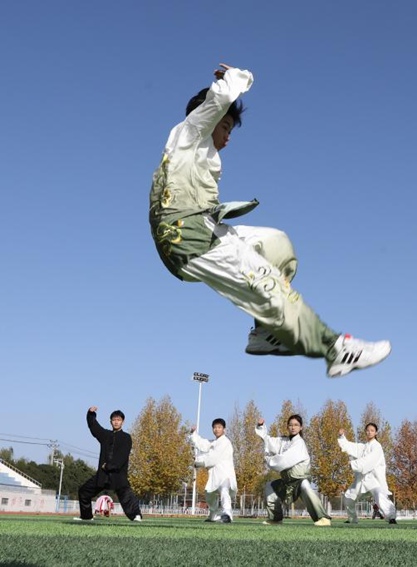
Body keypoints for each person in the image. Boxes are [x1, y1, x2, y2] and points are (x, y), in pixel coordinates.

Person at [148, 63, 391, 378]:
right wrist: (237, 77)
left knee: (277, 246)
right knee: (267, 281)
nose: (228, 139)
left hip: (204, 229)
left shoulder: (203, 154)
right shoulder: (189, 132)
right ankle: (335, 349)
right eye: (226, 129)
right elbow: (216, 102)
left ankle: (263, 333)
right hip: (184, 236)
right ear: (211, 119)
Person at [255, 415, 332, 526]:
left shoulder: (299, 443)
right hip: (287, 482)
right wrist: (261, 426)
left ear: (301, 428)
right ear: (287, 426)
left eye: (296, 425)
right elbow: (268, 441)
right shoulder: (283, 441)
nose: (293, 427)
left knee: (306, 486)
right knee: (269, 487)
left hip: (300, 479)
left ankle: (323, 518)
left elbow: (284, 460)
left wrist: (269, 460)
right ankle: (276, 519)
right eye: (290, 425)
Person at [75, 407, 142, 522]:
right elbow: (94, 427)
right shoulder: (105, 435)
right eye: (114, 420)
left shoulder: (126, 438)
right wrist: (91, 414)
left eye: (118, 420)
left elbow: (123, 456)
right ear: (110, 422)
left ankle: (136, 516)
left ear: (123, 422)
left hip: (118, 474)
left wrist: (109, 466)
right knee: (84, 491)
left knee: (126, 495)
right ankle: (86, 517)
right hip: (103, 475)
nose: (116, 422)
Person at [338, 424, 397, 525]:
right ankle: (352, 519)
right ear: (365, 431)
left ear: (376, 433)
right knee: (348, 497)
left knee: (380, 495)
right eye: (368, 430)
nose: (370, 432)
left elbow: (368, 461)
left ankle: (391, 518)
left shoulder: (377, 447)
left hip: (373, 479)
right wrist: (342, 437)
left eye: (372, 430)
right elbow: (350, 446)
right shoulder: (363, 447)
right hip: (361, 480)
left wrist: (353, 464)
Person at [190, 418, 237, 523]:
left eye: (219, 427)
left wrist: (199, 462)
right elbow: (203, 444)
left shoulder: (225, 442)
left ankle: (227, 514)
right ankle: (214, 515)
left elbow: (213, 458)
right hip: (215, 475)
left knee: (224, 491)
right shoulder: (214, 442)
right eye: (215, 427)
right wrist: (194, 434)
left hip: (225, 474)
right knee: (209, 494)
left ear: (224, 429)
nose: (217, 429)